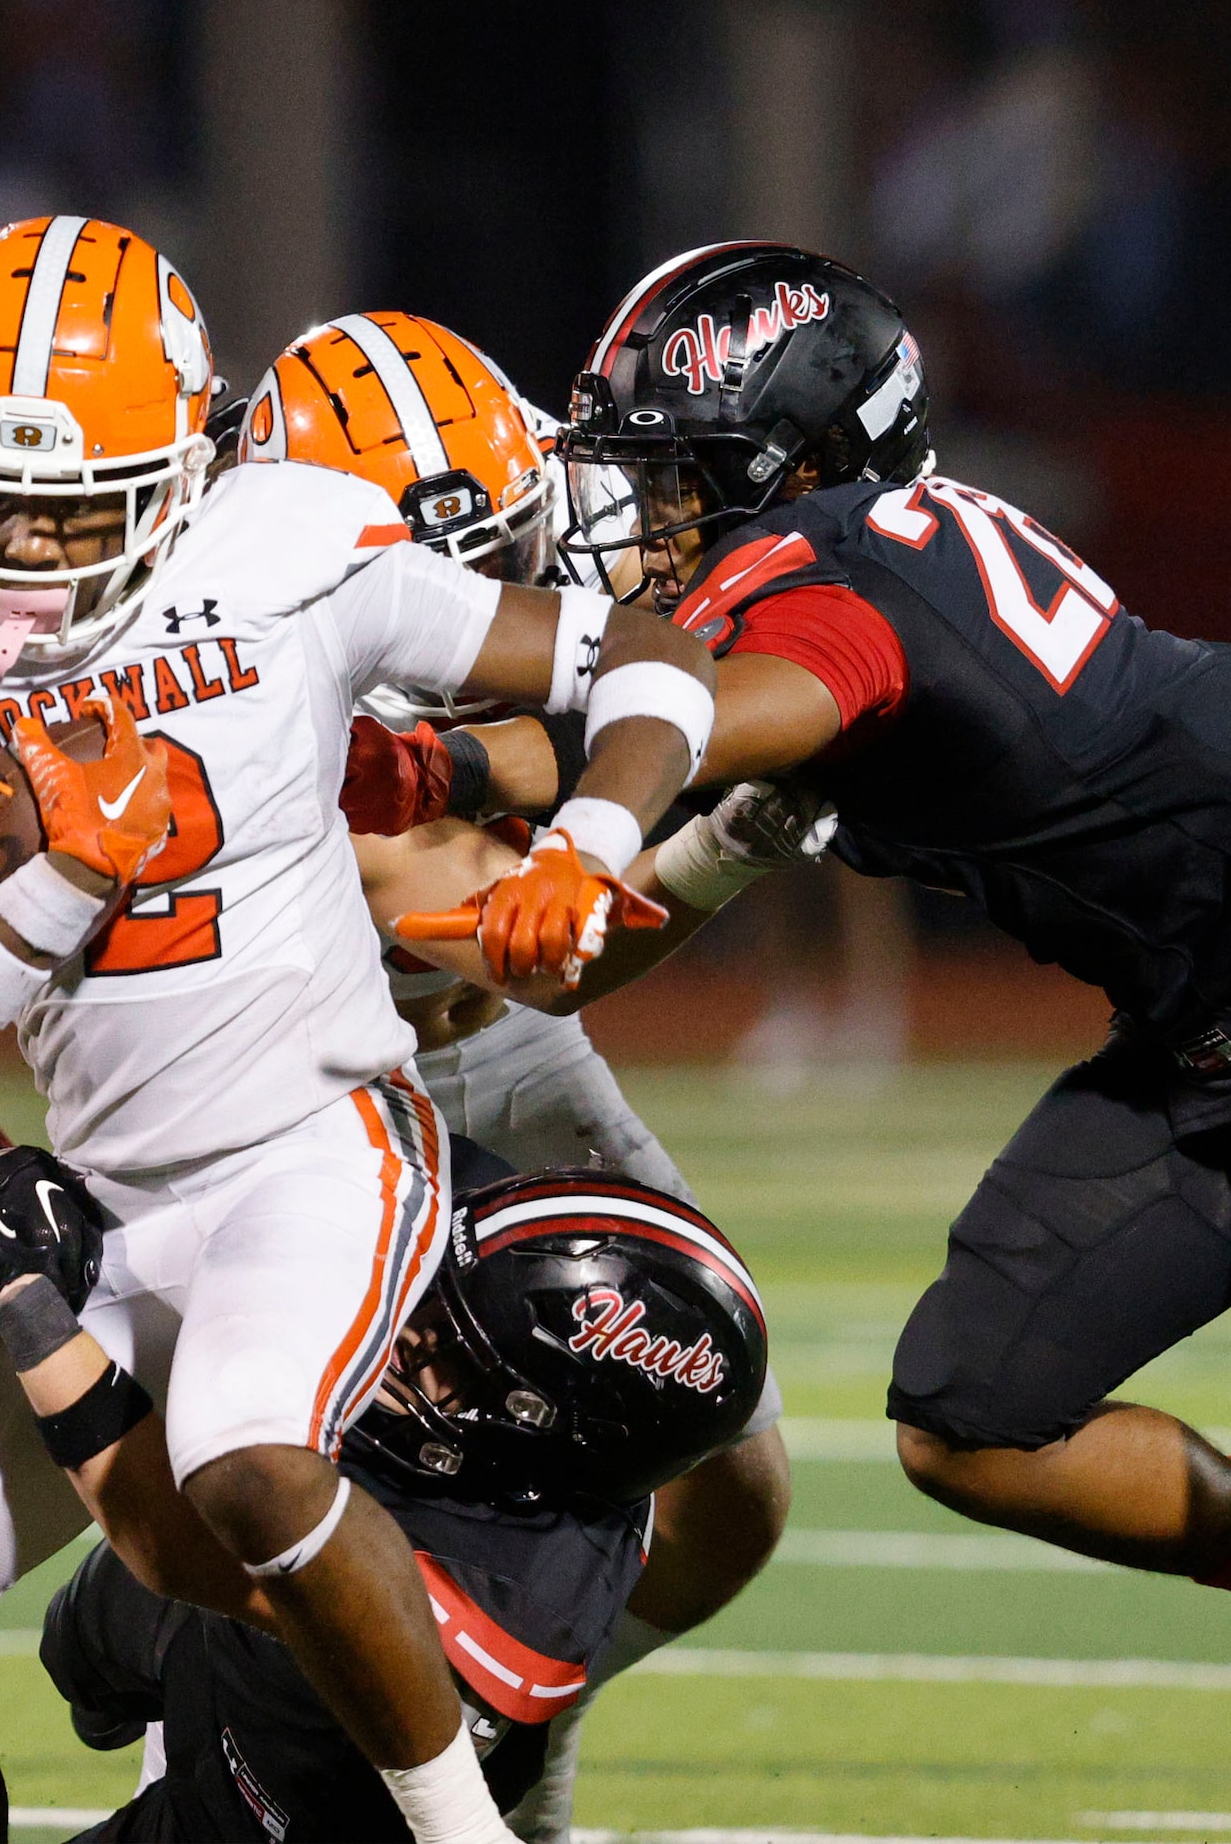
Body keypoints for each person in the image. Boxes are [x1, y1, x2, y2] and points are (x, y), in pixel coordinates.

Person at [387, 241, 1231, 1840]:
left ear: (786, 461)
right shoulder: (826, 599)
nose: (632, 519)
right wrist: (443, 785)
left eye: (670, 475)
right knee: (972, 1416)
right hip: (1208, 1032)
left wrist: (560, 820)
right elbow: (600, 922)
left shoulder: (832, 585)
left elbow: (688, 714)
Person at [0, 212, 716, 1844]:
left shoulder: (285, 542)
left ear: (180, 476)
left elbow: (644, 661)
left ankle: (464, 1831)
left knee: (248, 1452)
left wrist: (591, 844)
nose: (28, 549)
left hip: (320, 1141)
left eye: (80, 511)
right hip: (111, 1183)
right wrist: (62, 881)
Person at [256, 309, 800, 1835]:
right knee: (291, 1493)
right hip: (312, 1099)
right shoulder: (260, 642)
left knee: (730, 1468)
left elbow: (654, 672)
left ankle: (532, 1717)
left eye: (502, 543)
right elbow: (529, 932)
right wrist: (722, 842)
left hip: (505, 1057)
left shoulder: (542, 567)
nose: (485, 587)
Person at [0, 1130, 771, 1843]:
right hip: (254, 1578)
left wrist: (24, 1302)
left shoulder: (507, 1608)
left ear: (544, 1432)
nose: (409, 1335)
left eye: (449, 1354)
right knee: (80, 1648)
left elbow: (177, 1545)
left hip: (296, 1761)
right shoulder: (545, 1403)